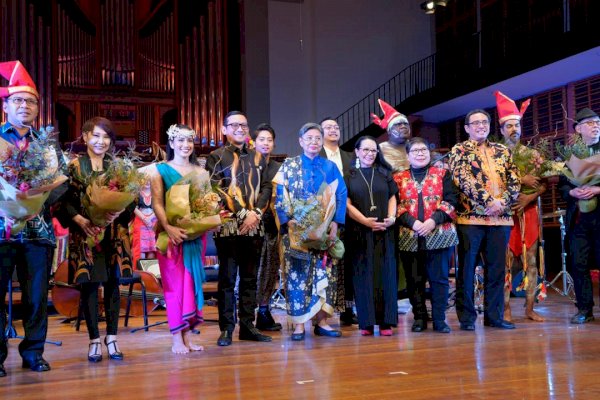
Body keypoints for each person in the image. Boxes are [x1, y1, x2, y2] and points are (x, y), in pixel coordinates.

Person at [0, 60, 66, 376]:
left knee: (36, 296)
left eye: (30, 101)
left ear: (38, 108)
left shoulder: (47, 144)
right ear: (5, 105)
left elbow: (59, 184)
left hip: (39, 233)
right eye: (18, 100)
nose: (24, 106)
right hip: (1, 231)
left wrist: (37, 197)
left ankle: (33, 352)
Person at [57, 117, 132, 362]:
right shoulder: (74, 167)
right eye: (96, 135)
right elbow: (62, 202)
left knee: (112, 285)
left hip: (114, 235)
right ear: (85, 136)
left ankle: (112, 338)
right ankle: (93, 340)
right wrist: (79, 220)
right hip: (86, 233)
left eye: (107, 136)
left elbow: (131, 201)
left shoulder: (119, 166)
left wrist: (120, 210)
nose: (101, 141)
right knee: (89, 286)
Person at [274, 122, 347, 341]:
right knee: (297, 276)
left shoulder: (330, 166)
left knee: (325, 274)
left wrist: (335, 222)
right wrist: (289, 221)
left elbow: (341, 194)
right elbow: (280, 194)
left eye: (317, 138)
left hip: (325, 232)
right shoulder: (288, 165)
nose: (314, 142)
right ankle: (299, 325)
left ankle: (322, 322)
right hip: (297, 231)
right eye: (309, 138)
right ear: (300, 141)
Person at [448, 109, 520, 331]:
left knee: (497, 270)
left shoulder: (502, 150)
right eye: (475, 123)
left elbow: (514, 179)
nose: (480, 126)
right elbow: (462, 179)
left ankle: (494, 316)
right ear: (467, 128)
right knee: (467, 270)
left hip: (501, 219)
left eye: (484, 122)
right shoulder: (459, 150)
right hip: (470, 219)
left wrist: (503, 202)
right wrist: (488, 201)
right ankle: (467, 318)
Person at [206, 111, 273, 346]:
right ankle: (226, 329)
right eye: (234, 125)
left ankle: (248, 326)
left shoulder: (258, 156)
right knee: (227, 278)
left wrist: (256, 214)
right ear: (224, 129)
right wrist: (244, 214)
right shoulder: (216, 156)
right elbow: (216, 190)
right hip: (228, 227)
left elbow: (266, 187)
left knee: (250, 279)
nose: (240, 129)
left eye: (244, 125)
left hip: (254, 225)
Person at [150, 124, 206, 353]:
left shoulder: (201, 172)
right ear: (171, 143)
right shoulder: (159, 170)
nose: (185, 145)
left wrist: (199, 225)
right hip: (169, 235)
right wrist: (169, 228)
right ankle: (176, 337)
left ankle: (188, 336)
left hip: (193, 237)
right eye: (180, 140)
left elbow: (204, 204)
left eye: (189, 141)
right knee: (174, 286)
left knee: (191, 284)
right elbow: (157, 203)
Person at [395, 138, 459, 333]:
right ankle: (420, 318)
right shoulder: (398, 178)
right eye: (415, 151)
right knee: (415, 280)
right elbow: (395, 206)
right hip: (409, 235)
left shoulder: (443, 173)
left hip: (440, 234)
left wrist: (432, 221)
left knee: (439, 279)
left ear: (429, 152)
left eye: (423, 149)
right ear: (407, 155)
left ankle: (440, 320)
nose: (420, 153)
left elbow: (452, 200)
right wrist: (413, 223)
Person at [495, 91, 545, 322]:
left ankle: (529, 308)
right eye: (509, 126)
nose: (514, 129)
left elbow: (544, 184)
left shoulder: (533, 154)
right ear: (502, 129)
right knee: (506, 262)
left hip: (529, 212)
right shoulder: (496, 155)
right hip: (505, 215)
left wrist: (529, 196)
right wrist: (519, 181)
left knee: (531, 261)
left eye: (517, 125)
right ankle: (505, 308)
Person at [344, 136, 398, 336]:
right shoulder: (349, 175)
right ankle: (366, 322)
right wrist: (365, 221)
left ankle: (386, 322)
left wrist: (391, 217)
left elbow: (393, 197)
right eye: (365, 150)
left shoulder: (385, 173)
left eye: (373, 150)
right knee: (363, 276)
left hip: (385, 230)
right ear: (357, 152)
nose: (369, 154)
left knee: (386, 275)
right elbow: (346, 204)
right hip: (360, 232)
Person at [559, 107, 600, 324]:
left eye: (598, 122)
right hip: (579, 220)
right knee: (578, 263)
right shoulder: (572, 155)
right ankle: (584, 309)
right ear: (579, 128)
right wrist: (573, 192)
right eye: (591, 123)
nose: (596, 126)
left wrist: (597, 190)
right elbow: (563, 187)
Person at [319, 117, 356, 325]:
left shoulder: (350, 156)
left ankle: (348, 309)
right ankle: (323, 310)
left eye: (336, 127)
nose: (333, 130)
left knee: (348, 263)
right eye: (328, 127)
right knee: (327, 264)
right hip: (324, 217)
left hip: (349, 216)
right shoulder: (317, 155)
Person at [252, 123, 282, 331]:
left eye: (269, 140)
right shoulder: (246, 164)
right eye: (262, 139)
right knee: (250, 271)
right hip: (249, 225)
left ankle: (264, 310)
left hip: (271, 226)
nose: (265, 143)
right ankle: (246, 313)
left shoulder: (278, 168)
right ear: (254, 142)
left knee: (270, 269)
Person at [372, 99, 412, 172]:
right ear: (389, 131)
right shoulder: (380, 149)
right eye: (398, 124)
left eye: (406, 123)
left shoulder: (415, 146)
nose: (403, 126)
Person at [130, 164, 157, 269]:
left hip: (154, 221)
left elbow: (160, 206)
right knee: (140, 248)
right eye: (144, 179)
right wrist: (144, 218)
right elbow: (132, 206)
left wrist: (151, 217)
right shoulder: (136, 192)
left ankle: (151, 275)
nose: (147, 182)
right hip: (140, 221)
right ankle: (140, 275)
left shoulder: (156, 192)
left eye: (149, 179)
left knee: (152, 248)